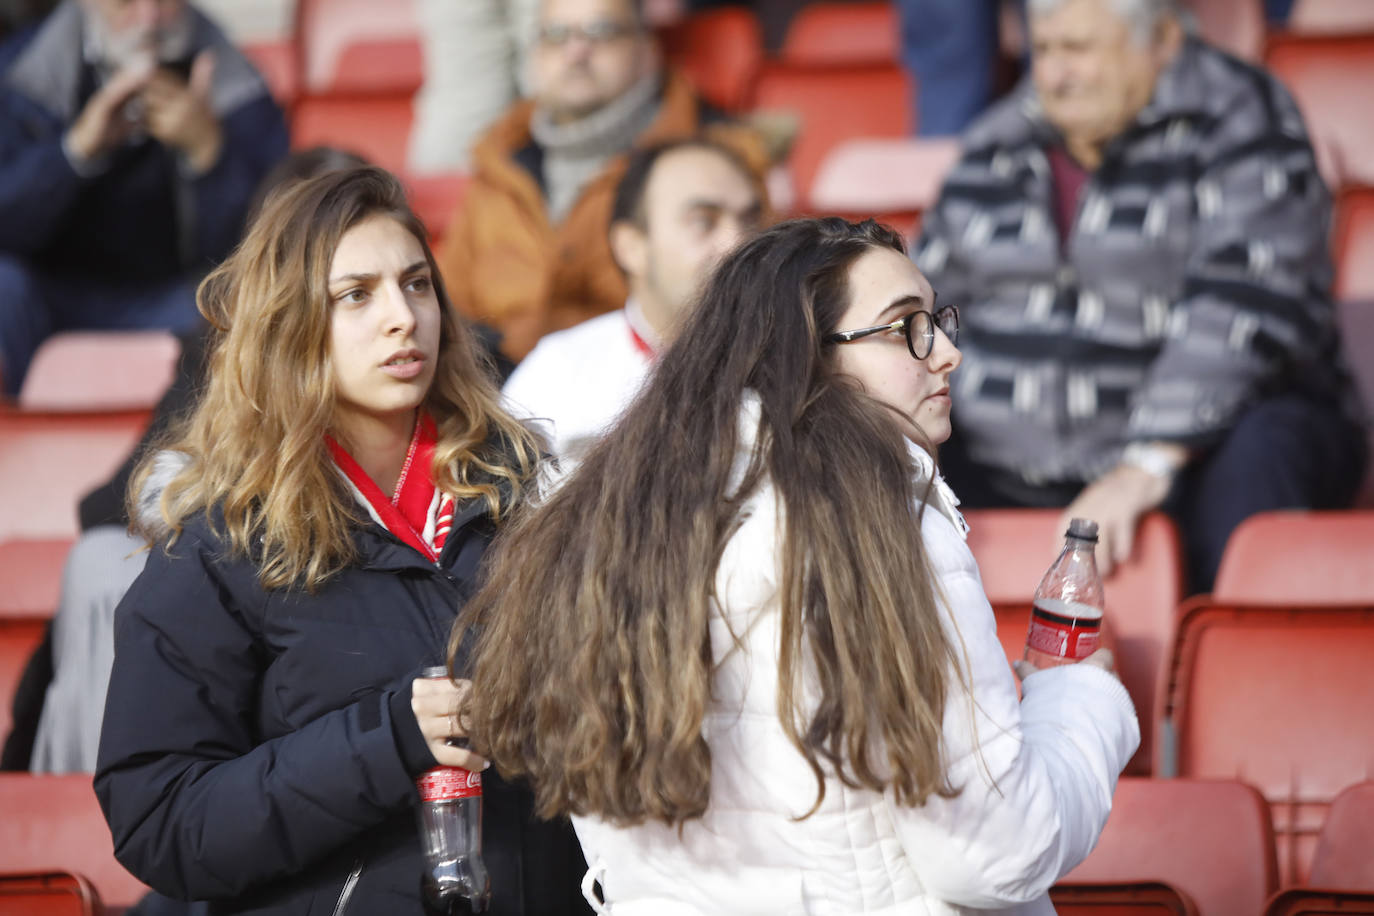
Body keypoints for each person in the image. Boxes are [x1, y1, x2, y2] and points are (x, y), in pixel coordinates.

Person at [455, 218, 1140, 914]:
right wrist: (1080, 703)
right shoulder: (880, 521)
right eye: (907, 327)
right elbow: (993, 856)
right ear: (800, 357)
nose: (947, 353)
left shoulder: (600, 522)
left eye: (938, 321)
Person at [94, 167, 589, 915]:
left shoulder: (532, 495)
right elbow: (162, 823)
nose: (402, 316)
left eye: (417, 284)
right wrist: (389, 738)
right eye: (356, 295)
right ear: (288, 323)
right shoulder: (220, 543)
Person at [915, 0, 1367, 590]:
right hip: (1009, 454)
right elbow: (925, 296)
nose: (1053, 74)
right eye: (1045, 49)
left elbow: (1245, 303)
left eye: (1079, 49)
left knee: (1262, 446)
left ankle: (1225, 662)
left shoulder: (1242, 117)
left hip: (1195, 450)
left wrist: (1150, 458)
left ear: (1162, 41)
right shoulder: (995, 141)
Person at [436, 0, 767, 362]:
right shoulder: (497, 161)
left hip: (656, 384)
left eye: (602, 32)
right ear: (535, 54)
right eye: (557, 35)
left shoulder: (716, 160)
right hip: (500, 389)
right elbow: (452, 309)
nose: (576, 51)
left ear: (646, 48)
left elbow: (748, 304)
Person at [0, 0, 288, 397]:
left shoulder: (237, 81)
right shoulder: (22, 71)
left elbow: (269, 244)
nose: (149, 18)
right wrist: (74, 154)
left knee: (241, 303)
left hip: (176, 297)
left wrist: (208, 153)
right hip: (50, 292)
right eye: (126, 3)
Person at [502, 136, 764, 463]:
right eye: (704, 221)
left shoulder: (805, 362)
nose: (738, 243)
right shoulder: (556, 375)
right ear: (631, 247)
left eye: (750, 220)